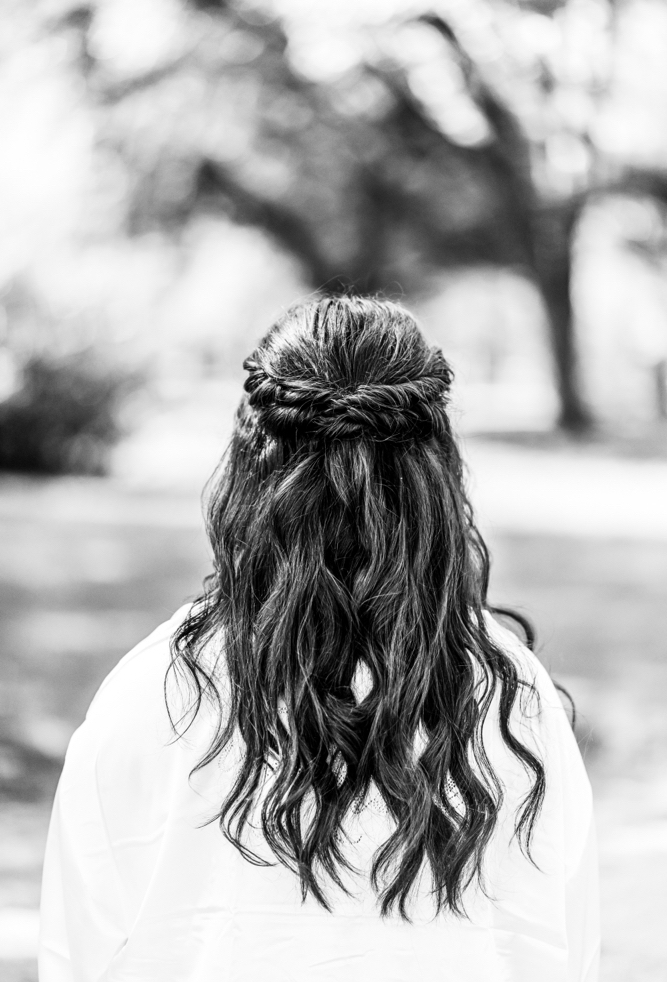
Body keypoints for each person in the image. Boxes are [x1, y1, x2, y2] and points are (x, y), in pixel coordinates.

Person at [38, 296, 600, 982]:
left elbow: (76, 955)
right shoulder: (512, 700)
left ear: (251, 466)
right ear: (435, 473)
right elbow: (566, 954)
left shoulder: (154, 692)